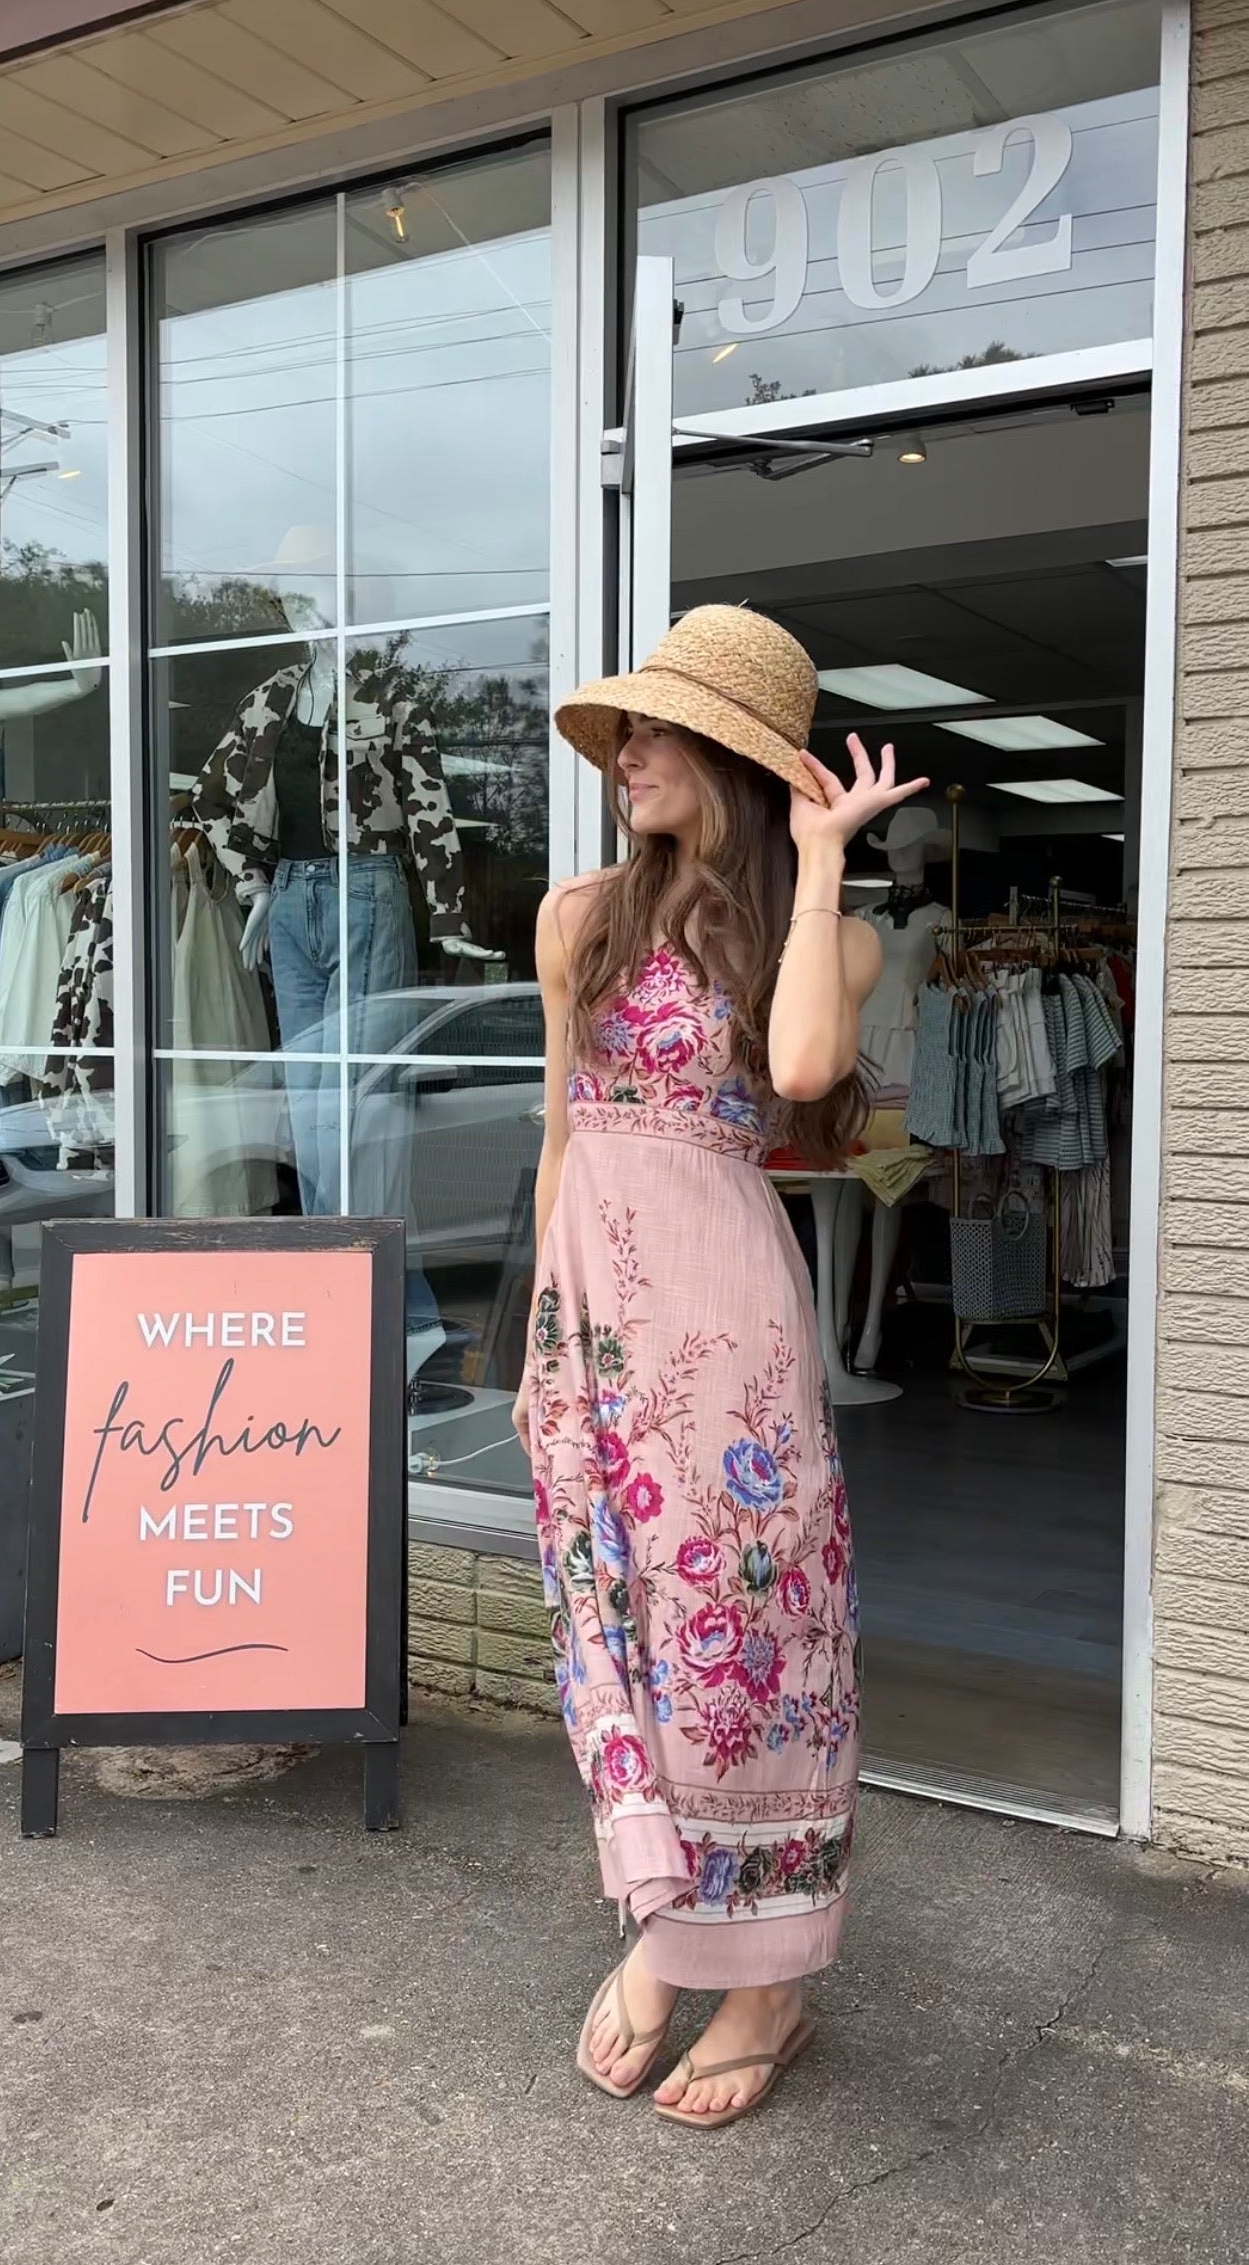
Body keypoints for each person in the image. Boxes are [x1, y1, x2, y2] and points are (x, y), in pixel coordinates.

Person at [512, 605, 927, 2129]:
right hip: (597, 1328)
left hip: (732, 1337)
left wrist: (818, 863)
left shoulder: (832, 935)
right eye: (623, 728)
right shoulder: (575, 919)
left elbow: (804, 1070)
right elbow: (561, 1137)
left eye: (656, 731)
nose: (625, 752)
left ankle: (766, 1982)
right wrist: (537, 1339)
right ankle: (668, 1927)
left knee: (747, 1634)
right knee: (621, 1631)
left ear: (734, 759)